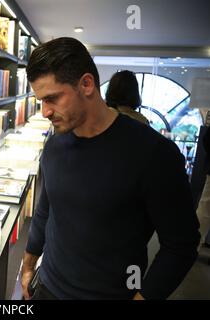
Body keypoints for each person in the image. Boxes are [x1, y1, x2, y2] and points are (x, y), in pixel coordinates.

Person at [22, 37, 201, 300]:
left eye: (52, 98)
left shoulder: (153, 154)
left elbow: (181, 244)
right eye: (41, 101)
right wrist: (28, 266)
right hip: (47, 286)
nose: (45, 112)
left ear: (86, 84)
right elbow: (45, 210)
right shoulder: (54, 146)